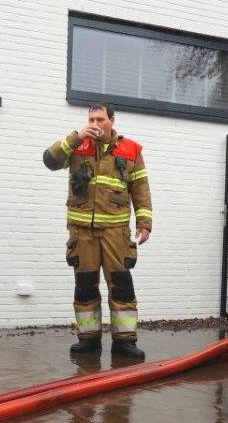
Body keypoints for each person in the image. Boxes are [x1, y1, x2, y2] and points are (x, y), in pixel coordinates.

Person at [42, 104, 152, 359]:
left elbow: (141, 189)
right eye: (91, 118)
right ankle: (88, 339)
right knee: (85, 286)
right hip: (82, 232)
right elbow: (49, 160)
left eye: (100, 119)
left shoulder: (131, 149)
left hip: (116, 231)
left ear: (112, 121)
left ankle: (125, 341)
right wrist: (76, 137)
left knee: (122, 285)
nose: (95, 123)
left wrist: (144, 223)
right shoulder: (77, 145)